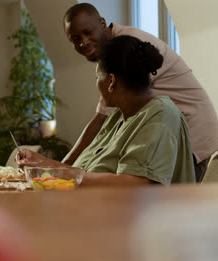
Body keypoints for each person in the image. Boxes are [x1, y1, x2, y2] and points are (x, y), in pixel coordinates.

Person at [61, 3, 218, 182]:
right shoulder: (119, 113)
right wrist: (56, 169)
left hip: (192, 127)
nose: (83, 42)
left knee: (166, 192)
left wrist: (62, 171)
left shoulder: (126, 49)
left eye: (87, 32)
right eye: (75, 39)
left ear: (112, 81)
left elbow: (101, 119)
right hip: (165, 127)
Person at [18, 35, 195, 186]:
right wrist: (41, 163)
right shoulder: (117, 117)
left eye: (97, 77)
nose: (96, 84)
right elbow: (85, 172)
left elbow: (134, 185)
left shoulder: (160, 115)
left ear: (111, 81)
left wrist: (58, 173)